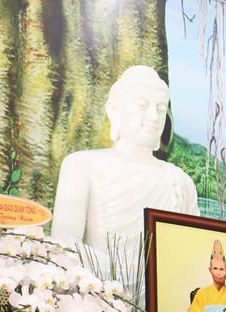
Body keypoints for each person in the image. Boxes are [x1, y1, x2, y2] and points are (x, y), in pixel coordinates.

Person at [51, 65, 199, 256]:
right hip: (95, 275)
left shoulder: (179, 181)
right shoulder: (81, 165)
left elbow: (190, 254)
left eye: (161, 109)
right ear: (115, 111)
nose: (154, 117)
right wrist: (109, 271)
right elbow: (63, 247)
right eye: (142, 105)